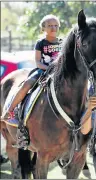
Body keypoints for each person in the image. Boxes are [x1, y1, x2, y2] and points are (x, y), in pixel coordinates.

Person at [2, 14, 62, 148]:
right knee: (27, 84)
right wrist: (49, 69)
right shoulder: (40, 43)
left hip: (59, 74)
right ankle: (10, 111)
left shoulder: (62, 42)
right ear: (43, 29)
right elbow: (38, 62)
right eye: (49, 26)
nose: (53, 28)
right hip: (43, 71)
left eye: (55, 25)